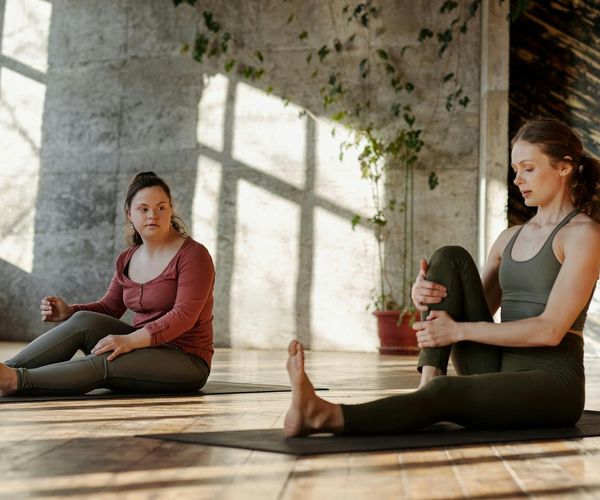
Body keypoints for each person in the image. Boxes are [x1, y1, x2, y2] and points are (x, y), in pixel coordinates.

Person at [283, 117, 600, 436]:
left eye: (528, 168)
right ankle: (428, 378)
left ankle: (324, 416)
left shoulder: (582, 235)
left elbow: (549, 330)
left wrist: (457, 331)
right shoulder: (509, 237)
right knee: (451, 257)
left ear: (564, 167)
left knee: (447, 393)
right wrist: (425, 294)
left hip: (552, 384)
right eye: (515, 169)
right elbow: (475, 307)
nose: (518, 179)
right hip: (495, 365)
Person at [0, 172, 215, 396]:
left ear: (170, 210)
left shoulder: (194, 255)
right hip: (143, 345)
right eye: (144, 209)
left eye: (161, 207)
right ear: (129, 214)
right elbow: (109, 307)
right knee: (84, 321)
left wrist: (130, 340)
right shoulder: (128, 257)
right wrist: (70, 311)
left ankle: (14, 380)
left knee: (105, 360)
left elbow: (184, 316)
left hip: (186, 360)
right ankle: (8, 368)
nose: (153, 215)